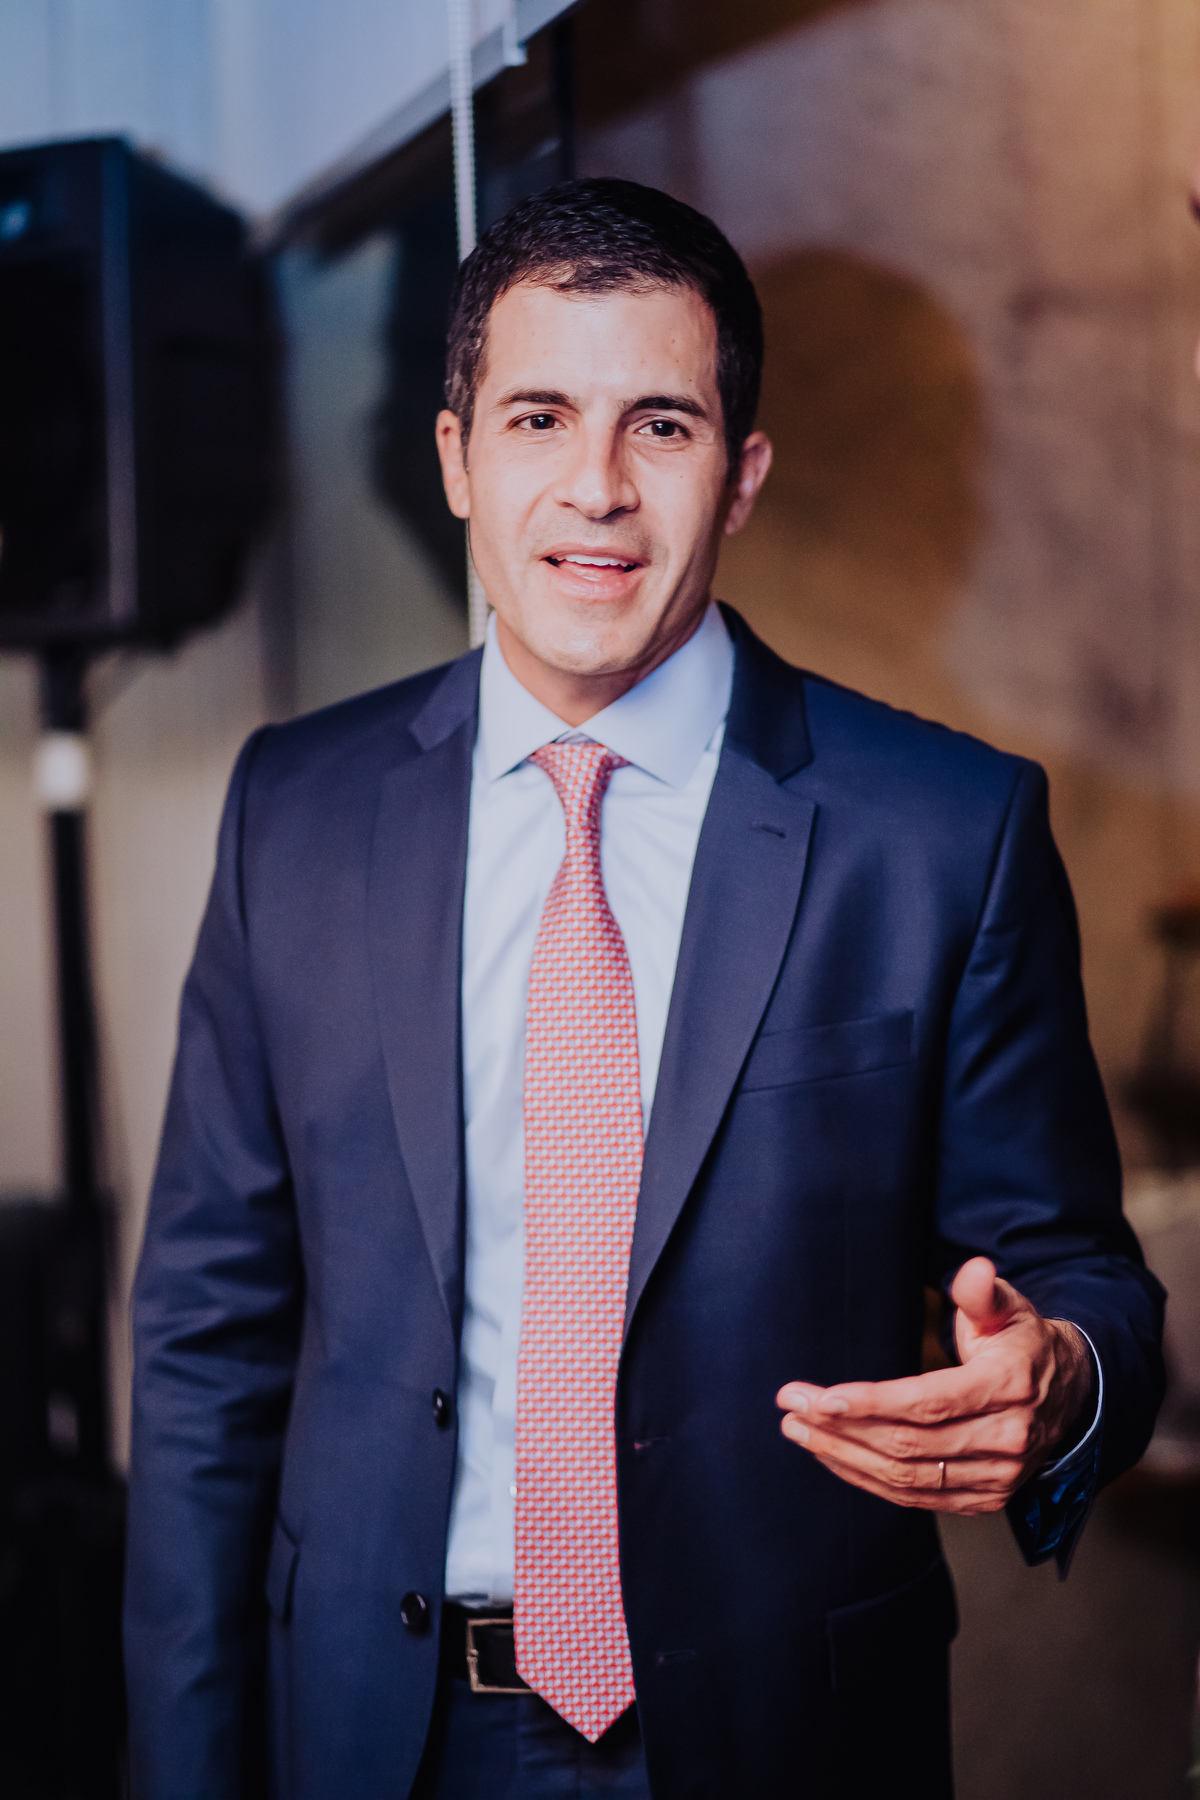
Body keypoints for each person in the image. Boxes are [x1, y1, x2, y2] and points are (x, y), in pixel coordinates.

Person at [124, 179, 1165, 1800]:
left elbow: (1080, 1276)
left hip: (786, 1736)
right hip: (378, 1734)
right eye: (538, 418)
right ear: (457, 456)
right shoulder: (293, 812)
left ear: (741, 474)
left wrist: (1066, 1379)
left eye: (661, 426)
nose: (597, 488)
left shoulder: (944, 833)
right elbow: (209, 1340)